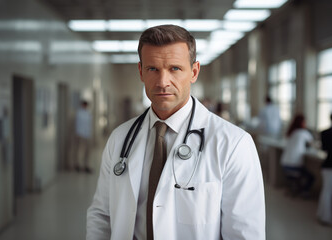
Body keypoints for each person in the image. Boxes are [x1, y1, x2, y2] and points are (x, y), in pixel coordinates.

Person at [87, 25, 265, 240]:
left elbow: (244, 234)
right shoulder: (120, 138)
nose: (163, 82)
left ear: (194, 72)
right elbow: (102, 216)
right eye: (153, 69)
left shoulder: (233, 144)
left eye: (175, 69)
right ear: (141, 71)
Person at [280, 114, 314, 196]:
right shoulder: (303, 132)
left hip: (284, 163)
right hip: (294, 165)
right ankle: (304, 191)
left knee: (300, 174)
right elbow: (312, 143)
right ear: (302, 122)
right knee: (311, 177)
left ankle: (295, 189)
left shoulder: (290, 132)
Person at [74, 100, 92, 173]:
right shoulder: (79, 113)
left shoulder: (88, 113)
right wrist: (78, 134)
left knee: (87, 151)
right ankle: (78, 165)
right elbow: (77, 125)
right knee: (80, 150)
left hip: (87, 134)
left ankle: (86, 165)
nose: (85, 107)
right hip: (80, 134)